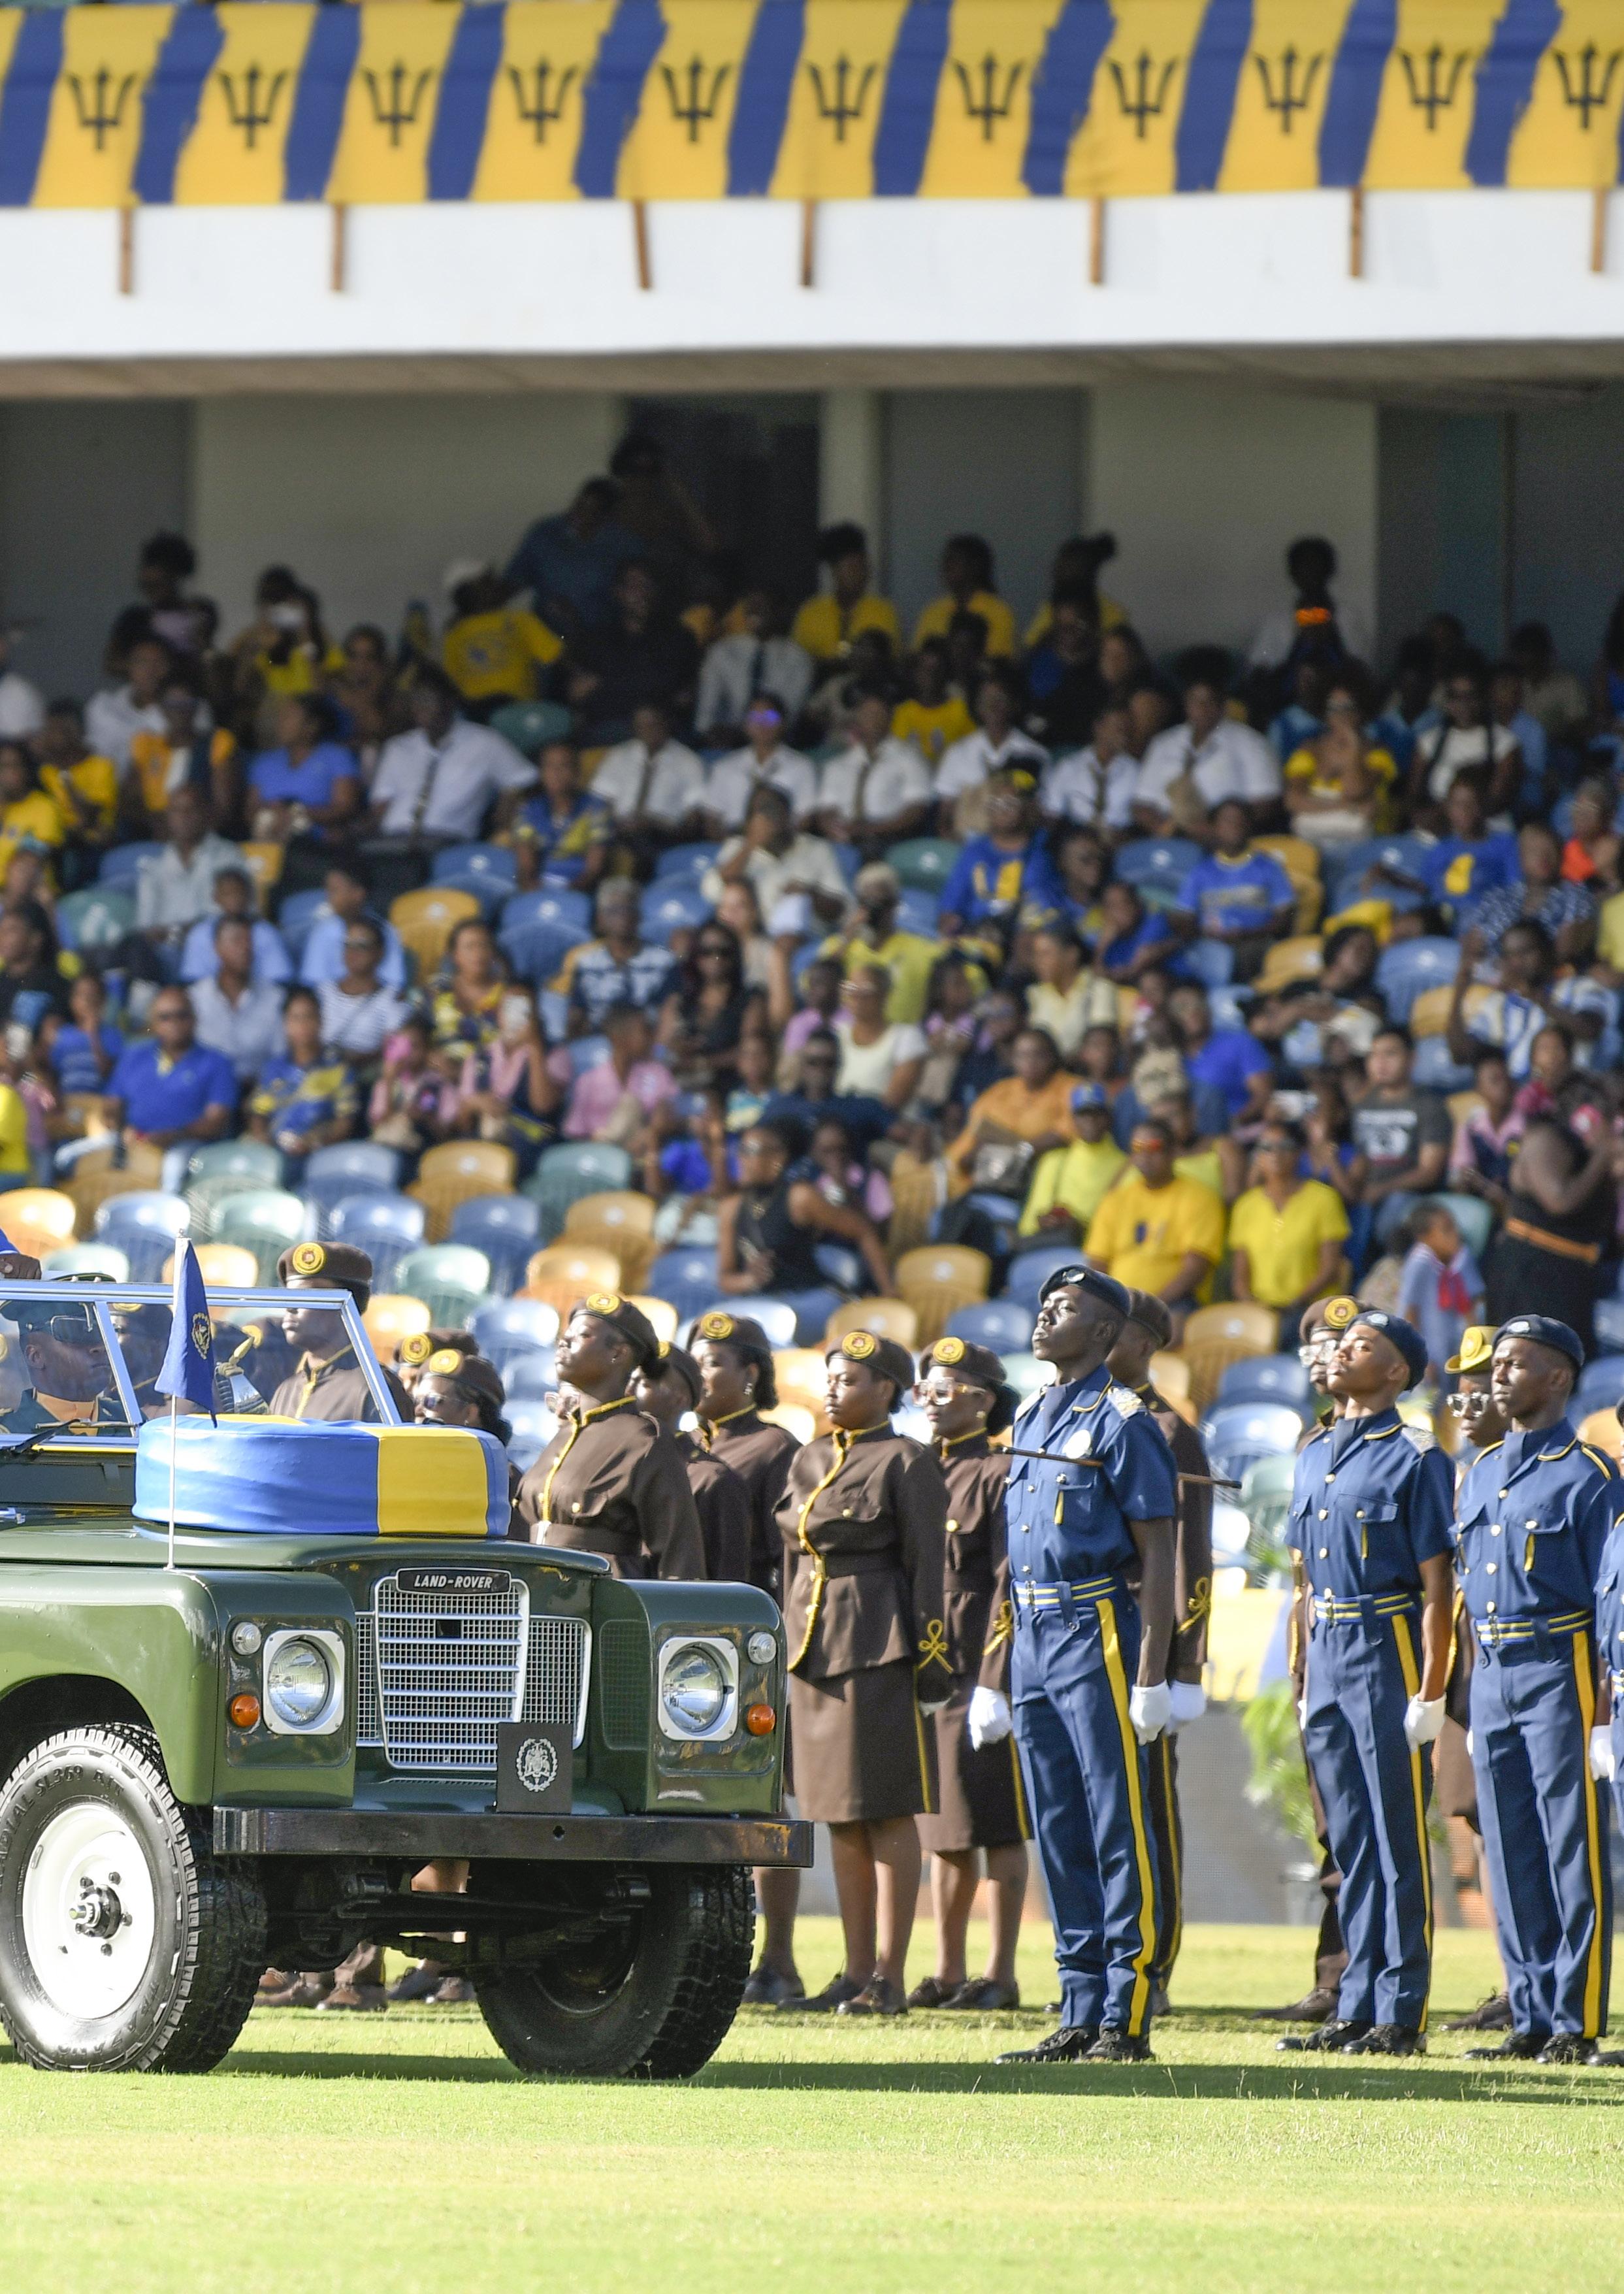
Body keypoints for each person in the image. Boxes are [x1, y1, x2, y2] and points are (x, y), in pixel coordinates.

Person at [984, 1265, 1176, 2064]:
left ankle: (1124, 2013)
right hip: (1032, 1633)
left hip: (1093, 1626)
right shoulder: (1032, 1410)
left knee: (1115, 1821)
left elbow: (1159, 1553)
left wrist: (1152, 1672)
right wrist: (997, 1668)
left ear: (1101, 1332)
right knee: (1057, 1823)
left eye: (1061, 1309)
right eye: (1042, 1305)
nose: (1042, 1317)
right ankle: (1077, 2005)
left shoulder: (1123, 1420)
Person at [1276, 1309, 1453, 2057]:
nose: (1342, 1350)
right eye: (1341, 1343)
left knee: (1392, 1834)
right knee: (1347, 1840)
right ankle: (1354, 2000)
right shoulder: (1314, 1451)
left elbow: (1437, 1584)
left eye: (1363, 1346)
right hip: (1326, 1647)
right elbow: (1302, 1579)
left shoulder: (1415, 1455)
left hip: (1385, 1642)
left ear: (1395, 1372)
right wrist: (1301, 1670)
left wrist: (1430, 1689)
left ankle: (1399, 2007)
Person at [1453, 1317, 1614, 2063]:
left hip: (1560, 1665)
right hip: (1493, 1671)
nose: (1498, 1374)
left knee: (1568, 1844)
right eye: (1497, 1363)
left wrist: (1603, 1713)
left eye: (1516, 1363)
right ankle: (1530, 2015)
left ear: (1557, 1378)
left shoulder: (1589, 1475)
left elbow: (1609, 1598)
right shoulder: (1482, 1469)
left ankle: (1575, 2019)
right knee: (1510, 1845)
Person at [775, 1329, 949, 2016]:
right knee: (836, 1814)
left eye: (848, 1379)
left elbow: (926, 1568)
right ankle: (853, 1972)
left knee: (884, 1808)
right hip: (812, 1647)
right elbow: (792, 1560)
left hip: (878, 1643)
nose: (832, 1389)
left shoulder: (906, 1460)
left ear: (887, 1390)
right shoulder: (809, 1457)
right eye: (829, 1378)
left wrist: (930, 1661)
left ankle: (889, 1975)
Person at [689, 1309, 805, 2007]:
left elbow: (788, 1557)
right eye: (695, 1361)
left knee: (764, 1796)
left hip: (748, 1640)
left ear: (751, 1374)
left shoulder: (774, 1447)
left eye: (713, 1362)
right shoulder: (679, 1445)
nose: (700, 1374)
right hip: (685, 1644)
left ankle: (779, 1956)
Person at [911, 1335, 1029, 2012]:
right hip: (928, 1669)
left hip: (976, 1667)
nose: (930, 1399)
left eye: (945, 1388)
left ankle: (999, 1972)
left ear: (983, 1400)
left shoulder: (998, 1472)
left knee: (996, 1822)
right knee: (945, 1827)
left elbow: (1008, 1583)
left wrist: (995, 1678)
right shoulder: (917, 1467)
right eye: (925, 1387)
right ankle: (947, 1969)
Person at [1105, 1290, 1214, 2009]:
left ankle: (1154, 1959)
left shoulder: (1169, 1429)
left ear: (1144, 1344)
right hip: (1091, 1640)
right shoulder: (1085, 1416)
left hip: (1145, 1643)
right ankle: (1101, 1961)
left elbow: (1189, 1556)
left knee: (1146, 1808)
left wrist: (1184, 1662)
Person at [512, 1294, 705, 1576]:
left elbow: (679, 1558)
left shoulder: (643, 1440)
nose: (564, 1341)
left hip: (600, 1596)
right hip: (536, 1594)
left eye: (583, 1335)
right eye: (566, 1334)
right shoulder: (567, 1433)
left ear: (618, 1353)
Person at [717, 1121, 891, 1339]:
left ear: (777, 1158)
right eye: (740, 1150)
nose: (741, 1159)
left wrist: (888, 1292)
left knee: (777, 1328)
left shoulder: (800, 1197)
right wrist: (750, 1279)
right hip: (764, 1302)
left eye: (750, 1151)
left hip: (809, 1297)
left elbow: (863, 1231)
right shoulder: (730, 1208)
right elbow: (725, 1279)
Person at [1484, 1111, 1616, 1358]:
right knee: (1528, 1361)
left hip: (1576, 1275)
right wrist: (1603, 1155)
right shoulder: (1546, 1138)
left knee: (1569, 1365)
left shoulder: (1589, 1153)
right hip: (1533, 1272)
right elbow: (1558, 1201)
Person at [365, 666, 536, 847]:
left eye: (427, 699)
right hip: (394, 842)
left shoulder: (486, 742)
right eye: (415, 699)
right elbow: (381, 805)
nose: (420, 706)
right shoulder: (398, 747)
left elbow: (527, 780)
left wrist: (506, 808)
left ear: (449, 702)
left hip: (449, 843)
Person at [630, 1341, 751, 1582]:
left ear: (679, 1399)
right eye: (629, 1381)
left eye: (643, 1384)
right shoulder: (625, 1463)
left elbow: (726, 1582)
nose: (627, 1392)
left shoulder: (713, 1480)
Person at [1084, 1119, 1226, 1323]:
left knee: (1173, 1325)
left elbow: (1195, 1269)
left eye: (1154, 1148)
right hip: (1119, 1303)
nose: (1145, 1156)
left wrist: (1148, 1307)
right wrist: (1112, 1303)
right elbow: (1098, 1261)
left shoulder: (1201, 1198)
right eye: (1138, 1148)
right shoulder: (1115, 1200)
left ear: (1173, 1152)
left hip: (1175, 1301)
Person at [1227, 1120, 1351, 1343]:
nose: (1275, 1154)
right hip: (1260, 1310)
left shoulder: (1324, 1199)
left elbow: (1331, 1269)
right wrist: (1252, 1305)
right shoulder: (1246, 1205)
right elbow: (1240, 1276)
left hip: (1309, 1307)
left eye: (1284, 1146)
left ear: (1299, 1153)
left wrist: (1293, 1304)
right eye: (1267, 1147)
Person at [269, 1241, 410, 1424]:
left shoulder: (376, 1388)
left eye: (307, 1296)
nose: (290, 1307)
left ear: (344, 1306)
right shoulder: (286, 1390)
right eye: (289, 1297)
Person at [1133, 669, 1280, 836]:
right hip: (1170, 835)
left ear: (1223, 705)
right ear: (1186, 705)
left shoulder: (1251, 742)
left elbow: (1266, 802)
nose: (1202, 708)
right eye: (1195, 701)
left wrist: (1220, 830)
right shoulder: (1163, 743)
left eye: (1209, 701)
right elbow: (1142, 804)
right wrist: (1168, 830)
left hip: (1226, 838)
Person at [102, 987, 236, 1163]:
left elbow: (215, 1123)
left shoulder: (217, 1062)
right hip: (131, 1141)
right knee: (76, 1157)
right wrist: (123, 1131)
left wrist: (173, 1136)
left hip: (187, 1146)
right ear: (153, 1023)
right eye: (165, 1017)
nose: (174, 1023)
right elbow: (111, 1107)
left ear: (194, 1019)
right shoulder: (133, 1056)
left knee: (173, 1165)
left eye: (182, 1015)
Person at [1170, 800, 1297, 981]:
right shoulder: (1201, 872)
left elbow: (1285, 918)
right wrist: (1204, 934)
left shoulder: (1268, 867)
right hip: (1211, 944)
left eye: (1240, 820)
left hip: (1257, 943)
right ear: (1215, 827)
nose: (1234, 826)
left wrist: (1248, 934)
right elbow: (1184, 916)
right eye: (1227, 821)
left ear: (1249, 825)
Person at [1348, 1027, 1451, 1247]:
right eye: (1374, 1055)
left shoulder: (1429, 1106)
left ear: (1412, 1059)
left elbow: (1428, 1172)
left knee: (1394, 1210)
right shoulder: (1363, 1106)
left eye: (1390, 1054)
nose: (1380, 1063)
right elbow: (1359, 1160)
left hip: (1410, 1197)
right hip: (1367, 1194)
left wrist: (1380, 1190)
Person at [504, 476, 637, 640]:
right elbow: (516, 578)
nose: (580, 515)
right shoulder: (546, 533)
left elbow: (637, 593)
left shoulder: (624, 545)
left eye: (593, 511)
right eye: (579, 506)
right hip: (544, 637)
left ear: (608, 516)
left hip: (600, 639)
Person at [815, 690, 932, 860]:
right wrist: (835, 830)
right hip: (845, 838)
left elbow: (916, 811)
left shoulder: (910, 758)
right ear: (857, 719)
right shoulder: (838, 765)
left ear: (890, 717)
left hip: (888, 838)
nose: (872, 719)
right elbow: (826, 810)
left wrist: (869, 830)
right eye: (867, 714)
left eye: (878, 714)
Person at [440, 560, 562, 713]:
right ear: (465, 594)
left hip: (520, 709)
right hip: (477, 713)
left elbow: (555, 656)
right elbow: (451, 681)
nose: (496, 585)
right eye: (486, 582)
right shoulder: (454, 633)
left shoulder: (518, 619)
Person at [587, 701, 706, 855]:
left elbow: (693, 818)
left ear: (667, 723)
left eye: (653, 725)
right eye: (642, 726)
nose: (648, 731)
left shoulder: (689, 761)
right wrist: (611, 827)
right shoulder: (619, 755)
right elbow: (600, 800)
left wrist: (654, 824)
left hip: (663, 835)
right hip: (619, 831)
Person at [1018, 1081, 1128, 1244]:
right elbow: (1027, 1227)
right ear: (1073, 1120)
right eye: (1083, 1115)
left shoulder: (1127, 1166)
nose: (1090, 1121)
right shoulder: (1054, 1161)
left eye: (1097, 1114)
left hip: (1096, 1251)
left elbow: (1125, 1228)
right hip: (1052, 1246)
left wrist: (1082, 1228)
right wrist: (1044, 1221)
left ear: (1109, 1118)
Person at [1395, 1200, 1484, 1386]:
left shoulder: (1461, 1258)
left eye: (1455, 1227)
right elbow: (1409, 1312)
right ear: (1425, 1238)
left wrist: (1474, 1349)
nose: (1456, 1234)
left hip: (1454, 1346)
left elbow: (1473, 1302)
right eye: (1447, 1230)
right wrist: (1420, 1358)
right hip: (1430, 1353)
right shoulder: (1419, 1263)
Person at [704, 694, 819, 836]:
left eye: (770, 717)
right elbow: (712, 818)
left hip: (783, 840)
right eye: (755, 718)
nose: (762, 723)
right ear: (745, 725)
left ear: (783, 723)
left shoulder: (802, 767)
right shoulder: (724, 767)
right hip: (734, 839)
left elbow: (805, 818)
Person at [189, 917, 287, 1085]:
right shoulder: (195, 999)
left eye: (249, 941)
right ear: (217, 948)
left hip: (261, 1088)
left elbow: (281, 1056)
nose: (245, 948)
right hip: (207, 1088)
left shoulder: (275, 998)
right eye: (236, 941)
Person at [792, 523, 900, 666]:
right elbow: (796, 660)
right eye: (851, 568)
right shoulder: (811, 612)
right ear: (834, 571)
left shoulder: (883, 610)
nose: (858, 574)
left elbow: (890, 660)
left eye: (862, 567)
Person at [913, 535, 1016, 659]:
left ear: (975, 566)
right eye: (946, 561)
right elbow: (918, 655)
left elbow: (997, 658)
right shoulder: (933, 611)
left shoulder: (999, 612)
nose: (946, 567)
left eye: (954, 561)